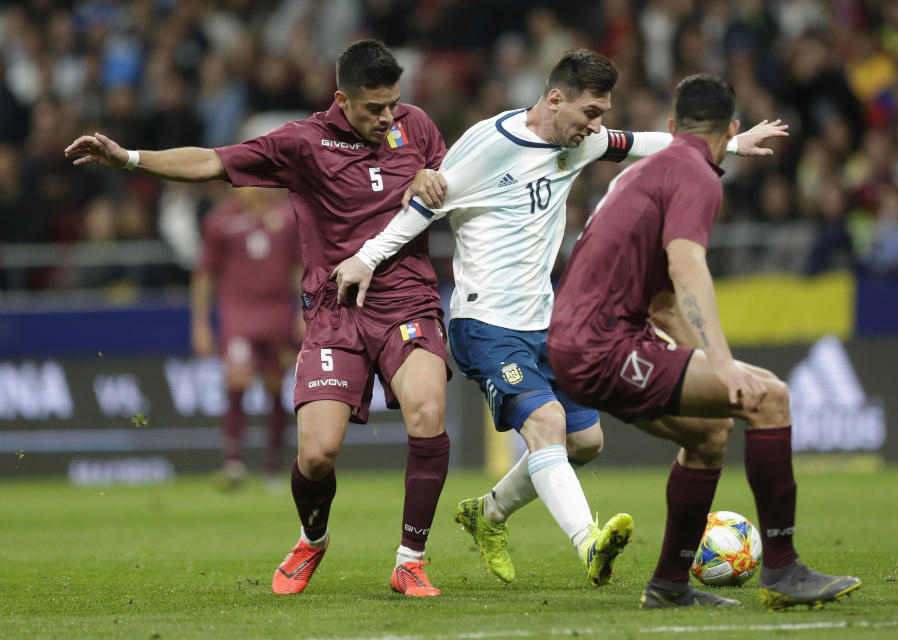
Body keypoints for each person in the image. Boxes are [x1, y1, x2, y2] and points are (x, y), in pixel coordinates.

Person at [331, 50, 787, 586]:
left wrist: (728, 143)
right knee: (545, 426)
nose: (597, 126)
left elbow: (643, 145)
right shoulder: (491, 143)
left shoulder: (582, 142)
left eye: (601, 114)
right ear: (554, 99)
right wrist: (366, 258)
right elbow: (425, 205)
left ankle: (489, 514)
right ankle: (589, 542)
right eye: (590, 112)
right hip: (485, 324)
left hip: (547, 324)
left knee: (586, 443)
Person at [66, 40, 453, 597]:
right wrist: (129, 158)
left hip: (407, 300)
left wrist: (428, 178)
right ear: (341, 99)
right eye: (374, 107)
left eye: (393, 103)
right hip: (335, 310)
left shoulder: (416, 127)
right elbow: (210, 162)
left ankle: (410, 560)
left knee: (428, 407)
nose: (387, 117)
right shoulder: (301, 143)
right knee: (317, 455)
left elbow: (449, 178)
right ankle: (312, 539)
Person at [546, 73, 862, 609]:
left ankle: (669, 585)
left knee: (712, 433)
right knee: (771, 399)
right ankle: (783, 572)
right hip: (603, 344)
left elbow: (666, 302)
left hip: (578, 341)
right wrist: (722, 362)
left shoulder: (650, 172)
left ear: (672, 127)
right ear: (732, 129)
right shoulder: (696, 174)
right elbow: (687, 266)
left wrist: (722, 369)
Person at [191, 187, 302, 489]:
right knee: (237, 380)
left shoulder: (286, 217)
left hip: (277, 312)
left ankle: (272, 466)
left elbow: (298, 268)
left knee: (275, 387)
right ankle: (234, 460)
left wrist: (304, 312)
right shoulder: (220, 221)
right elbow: (205, 273)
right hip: (238, 313)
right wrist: (200, 323)